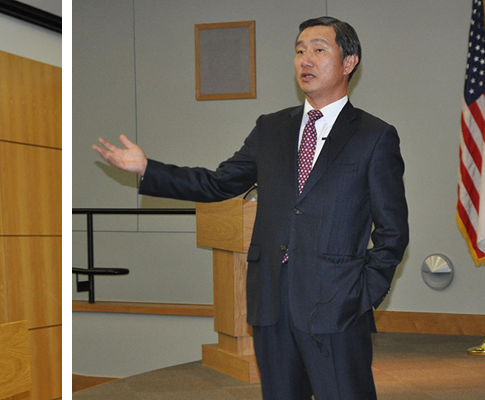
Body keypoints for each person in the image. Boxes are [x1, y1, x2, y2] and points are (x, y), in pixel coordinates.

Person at [93, 17, 408, 400]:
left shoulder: (374, 136)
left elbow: (393, 230)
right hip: (271, 303)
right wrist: (148, 169)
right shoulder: (271, 128)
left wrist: (362, 294)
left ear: (349, 62)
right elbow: (218, 182)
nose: (305, 59)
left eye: (319, 49)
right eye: (299, 50)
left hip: (337, 306)